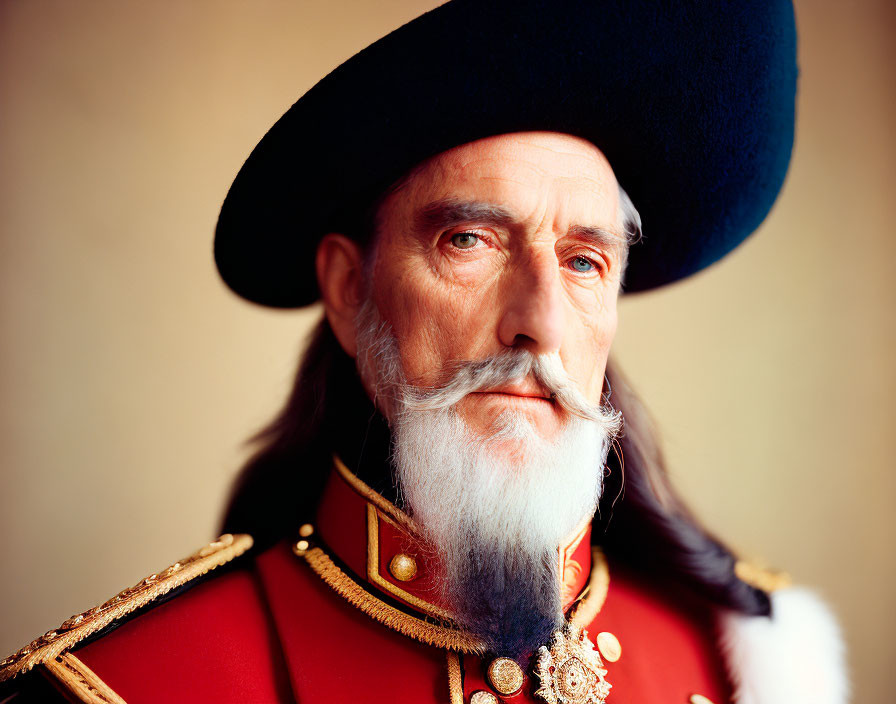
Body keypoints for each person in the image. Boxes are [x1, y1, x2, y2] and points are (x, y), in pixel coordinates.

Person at [0, 1, 848, 702]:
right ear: (346, 289)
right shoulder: (122, 687)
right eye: (471, 240)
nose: (540, 322)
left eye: (585, 262)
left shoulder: (742, 666)